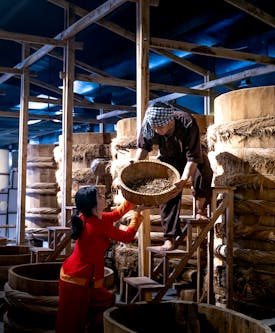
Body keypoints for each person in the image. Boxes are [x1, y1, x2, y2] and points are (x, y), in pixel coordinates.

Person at [56, 185, 143, 333]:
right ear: (93, 205)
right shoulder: (96, 225)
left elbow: (115, 215)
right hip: (76, 278)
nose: (104, 197)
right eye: (99, 196)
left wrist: (132, 200)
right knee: (71, 322)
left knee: (104, 302)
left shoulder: (92, 217)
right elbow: (127, 237)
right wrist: (137, 215)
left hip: (80, 274)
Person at [136, 102, 213, 251]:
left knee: (203, 171)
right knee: (168, 190)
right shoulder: (149, 125)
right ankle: (169, 239)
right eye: (155, 128)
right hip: (169, 157)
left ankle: (200, 211)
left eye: (160, 127)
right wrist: (133, 166)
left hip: (191, 155)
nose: (157, 131)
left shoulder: (187, 122)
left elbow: (193, 158)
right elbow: (143, 148)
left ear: (170, 121)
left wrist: (183, 180)